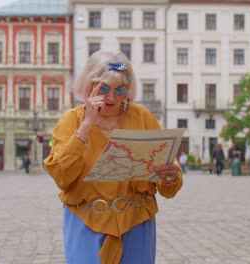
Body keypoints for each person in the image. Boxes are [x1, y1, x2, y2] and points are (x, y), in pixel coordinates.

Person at [44, 50, 183, 264]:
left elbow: (169, 182)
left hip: (136, 222)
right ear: (89, 85)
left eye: (120, 90)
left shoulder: (142, 117)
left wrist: (171, 175)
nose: (111, 97)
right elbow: (61, 175)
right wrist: (87, 124)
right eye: (104, 88)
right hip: (85, 222)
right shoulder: (71, 119)